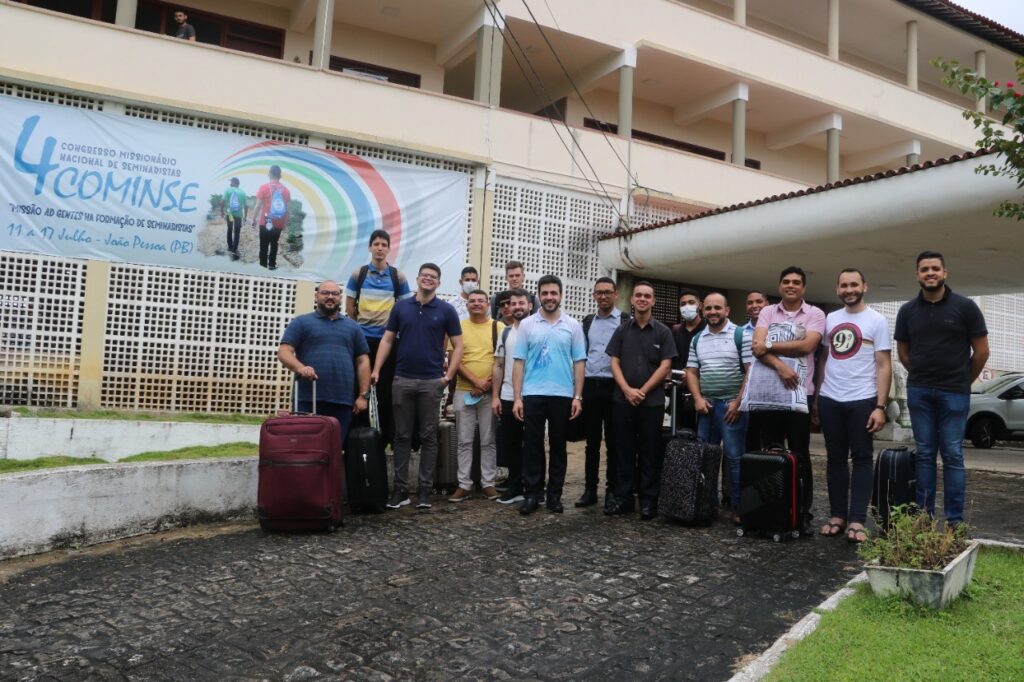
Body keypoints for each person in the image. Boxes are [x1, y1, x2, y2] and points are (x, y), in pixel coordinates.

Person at [895, 251, 988, 527]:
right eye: (924, 269)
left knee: (952, 454)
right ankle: (923, 517)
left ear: (945, 273)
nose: (930, 273)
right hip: (920, 391)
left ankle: (954, 521)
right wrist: (923, 376)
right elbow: (904, 353)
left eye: (935, 268)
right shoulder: (907, 311)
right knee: (924, 453)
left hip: (954, 393)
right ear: (917, 275)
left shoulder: (966, 307)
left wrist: (963, 380)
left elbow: (981, 352)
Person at [372, 263, 463, 510]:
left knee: (429, 437)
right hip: (402, 379)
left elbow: (458, 345)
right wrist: (377, 369)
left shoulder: (446, 310)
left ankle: (424, 491)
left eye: (433, 277)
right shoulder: (401, 307)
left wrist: (448, 376)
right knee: (401, 436)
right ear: (418, 279)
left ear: (438, 282)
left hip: (432, 381)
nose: (428, 279)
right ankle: (400, 491)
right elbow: (388, 339)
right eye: (425, 275)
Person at [814, 269, 893, 543]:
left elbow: (884, 364)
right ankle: (837, 516)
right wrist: (818, 397)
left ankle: (857, 520)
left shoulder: (877, 320)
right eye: (844, 285)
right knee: (835, 459)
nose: (849, 289)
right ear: (837, 289)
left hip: (862, 399)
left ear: (865, 287)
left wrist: (880, 406)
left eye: (854, 284)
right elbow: (825, 358)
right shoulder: (831, 319)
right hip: (830, 399)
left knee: (861, 458)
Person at [750, 266, 825, 535]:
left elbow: (807, 346)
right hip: (769, 396)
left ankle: (801, 513)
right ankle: (771, 511)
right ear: (780, 286)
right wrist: (781, 366)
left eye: (796, 282)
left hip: (799, 396)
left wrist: (769, 346)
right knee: (769, 454)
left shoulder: (815, 313)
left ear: (803, 287)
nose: (790, 285)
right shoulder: (768, 312)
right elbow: (756, 347)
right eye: (786, 282)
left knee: (800, 455)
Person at [512, 275, 586, 515]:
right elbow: (519, 363)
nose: (549, 297)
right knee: (532, 446)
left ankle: (555, 495)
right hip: (532, 393)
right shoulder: (527, 325)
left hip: (562, 395)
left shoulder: (573, 326)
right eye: (545, 293)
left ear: (560, 295)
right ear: (539, 295)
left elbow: (579, 363)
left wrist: (577, 396)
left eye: (554, 293)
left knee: (558, 447)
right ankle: (533, 494)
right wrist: (517, 398)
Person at [605, 281, 676, 519]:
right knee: (623, 452)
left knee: (650, 452)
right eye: (638, 295)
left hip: (652, 403)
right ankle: (624, 499)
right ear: (632, 300)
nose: (642, 299)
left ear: (653, 301)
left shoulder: (663, 332)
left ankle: (648, 501)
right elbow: (613, 361)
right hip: (622, 401)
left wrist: (642, 391)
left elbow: (666, 365)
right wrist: (627, 390)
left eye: (647, 296)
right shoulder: (622, 330)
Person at [277, 280, 370, 442]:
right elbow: (284, 352)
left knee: (334, 451)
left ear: (340, 298)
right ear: (316, 296)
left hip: (343, 401)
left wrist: (363, 396)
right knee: (306, 448)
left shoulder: (353, 327)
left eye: (334, 294)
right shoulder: (301, 322)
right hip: (307, 399)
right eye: (325, 293)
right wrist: (301, 368)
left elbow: (363, 361)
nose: (330, 297)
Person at [687, 293, 751, 525]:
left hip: (731, 406)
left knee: (734, 458)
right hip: (707, 406)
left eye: (718, 308)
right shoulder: (697, 339)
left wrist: (738, 402)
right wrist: (697, 398)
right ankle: (706, 504)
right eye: (709, 308)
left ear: (727, 311)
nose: (713, 312)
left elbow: (750, 370)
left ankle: (737, 507)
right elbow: (692, 372)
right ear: (703, 310)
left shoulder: (740, 335)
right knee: (706, 458)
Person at [345, 229, 412, 447]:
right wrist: (358, 330)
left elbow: (404, 309)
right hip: (362, 340)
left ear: (389, 248)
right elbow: (349, 307)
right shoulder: (359, 274)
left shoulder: (397, 276)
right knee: (360, 388)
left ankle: (386, 438)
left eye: (384, 244)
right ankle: (359, 436)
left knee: (386, 391)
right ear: (370, 247)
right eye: (376, 244)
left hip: (388, 342)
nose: (380, 248)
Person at [577, 277, 629, 510]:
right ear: (594, 295)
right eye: (599, 292)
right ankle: (590, 490)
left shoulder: (625, 321)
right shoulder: (588, 322)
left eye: (608, 292)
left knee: (616, 441)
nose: (603, 296)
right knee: (592, 442)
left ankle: (612, 491)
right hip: (591, 385)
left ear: (615, 295)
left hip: (615, 386)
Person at [448, 290, 503, 502]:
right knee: (463, 440)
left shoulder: (499, 328)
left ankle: (488, 483)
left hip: (491, 392)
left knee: (488, 440)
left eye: (481, 301)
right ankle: (464, 484)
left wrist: (486, 383)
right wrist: (475, 382)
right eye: (472, 301)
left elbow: (501, 359)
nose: (476, 304)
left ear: (488, 304)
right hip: (464, 390)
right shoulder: (458, 328)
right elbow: (455, 360)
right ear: (467, 304)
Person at [492, 289, 532, 504]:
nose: (516, 307)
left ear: (530, 306)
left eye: (521, 303)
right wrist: (495, 396)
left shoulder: (536, 330)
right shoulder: (505, 332)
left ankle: (535, 487)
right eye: (513, 304)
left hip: (532, 396)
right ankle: (516, 486)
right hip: (507, 395)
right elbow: (498, 364)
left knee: (533, 444)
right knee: (511, 444)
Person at [671, 288, 706, 431]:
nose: (687, 306)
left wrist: (692, 373)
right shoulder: (675, 330)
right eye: (683, 304)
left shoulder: (708, 329)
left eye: (691, 302)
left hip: (703, 391)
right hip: (678, 391)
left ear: (700, 305)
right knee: (679, 432)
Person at [250, 165, 291, 271]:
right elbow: (287, 210)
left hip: (266, 222)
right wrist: (284, 224)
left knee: (263, 245)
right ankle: (272, 264)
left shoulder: (264, 187)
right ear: (280, 176)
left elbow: (258, 206)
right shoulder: (286, 191)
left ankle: (263, 266)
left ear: (269, 174)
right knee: (274, 244)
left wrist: (254, 219)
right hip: (278, 223)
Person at [744, 290, 769, 453]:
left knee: (769, 443)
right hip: (749, 394)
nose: (754, 306)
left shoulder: (774, 329)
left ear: (767, 304)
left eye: (759, 301)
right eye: (750, 302)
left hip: (770, 393)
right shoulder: (740, 332)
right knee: (750, 442)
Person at [221, 177, 247, 261]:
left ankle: (230, 247)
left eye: (231, 182)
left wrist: (222, 211)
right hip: (238, 215)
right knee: (237, 231)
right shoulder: (242, 192)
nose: (230, 183)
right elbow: (246, 206)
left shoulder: (228, 190)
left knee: (229, 228)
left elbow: (222, 201)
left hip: (230, 214)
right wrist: (245, 217)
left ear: (233, 182)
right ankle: (234, 249)